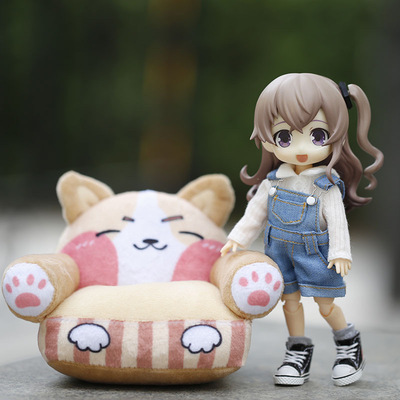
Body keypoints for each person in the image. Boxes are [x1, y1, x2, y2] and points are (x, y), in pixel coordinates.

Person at [220, 73, 383, 386]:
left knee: (325, 305)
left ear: (336, 135)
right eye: (285, 137)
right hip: (279, 250)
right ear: (267, 139)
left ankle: (348, 344)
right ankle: (297, 352)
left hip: (314, 252)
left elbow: (337, 221)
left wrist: (340, 252)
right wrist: (237, 238)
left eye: (318, 135)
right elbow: (254, 215)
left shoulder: (325, 185)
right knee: (290, 302)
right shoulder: (273, 182)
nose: (302, 148)